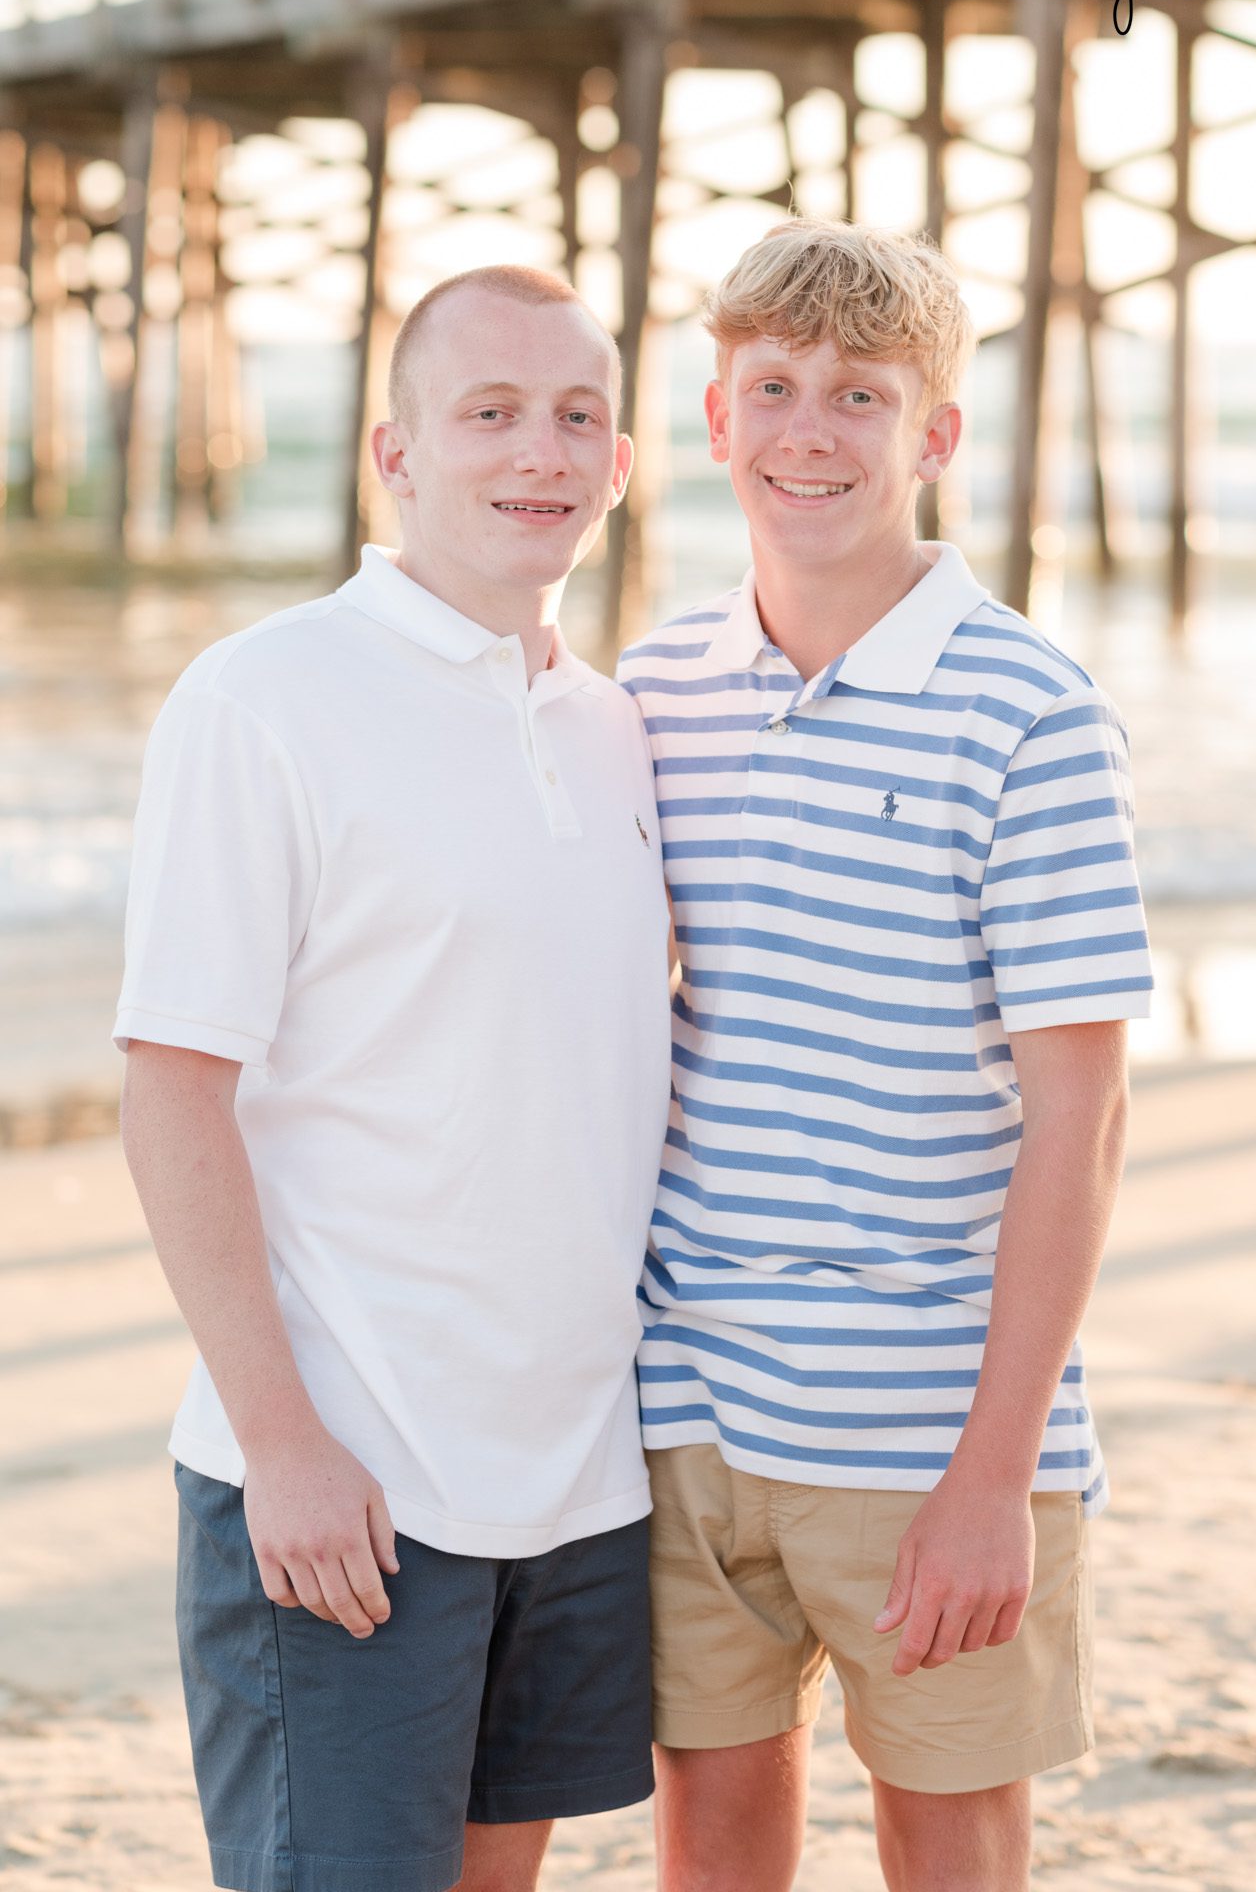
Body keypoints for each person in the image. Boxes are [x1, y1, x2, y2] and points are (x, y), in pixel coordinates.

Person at [116, 264, 672, 1892]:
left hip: (575, 1482)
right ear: (396, 454)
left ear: (623, 464)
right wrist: (283, 1443)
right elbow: (172, 1087)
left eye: (578, 416)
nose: (540, 451)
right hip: (348, 1485)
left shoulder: (616, 729)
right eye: (489, 412)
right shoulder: (265, 698)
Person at [618, 219, 1154, 1892]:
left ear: (935, 435)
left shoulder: (1030, 713)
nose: (811, 431)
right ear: (716, 420)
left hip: (931, 1421)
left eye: (861, 395)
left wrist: (995, 1473)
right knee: (710, 1826)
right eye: (774, 388)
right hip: (683, 1401)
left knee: (949, 1838)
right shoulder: (652, 690)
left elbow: (1082, 1116)